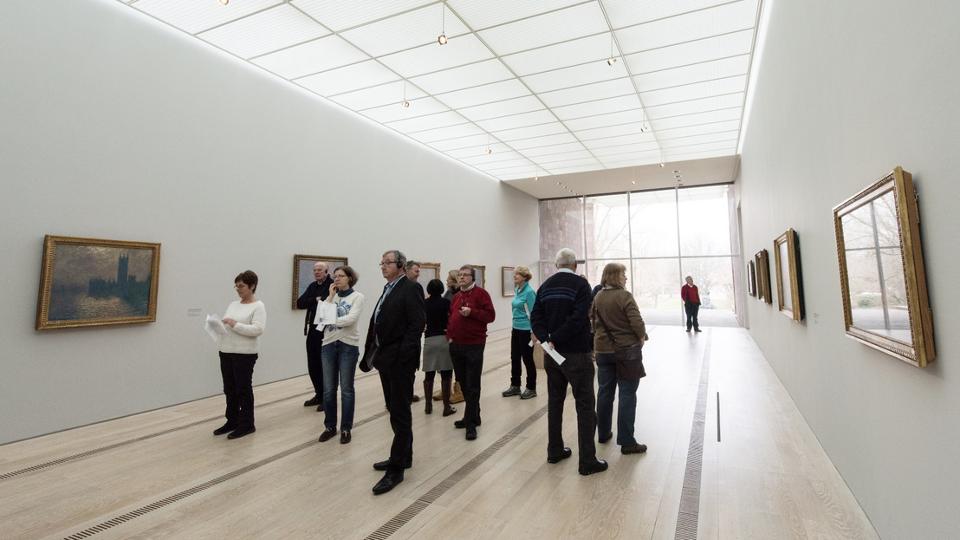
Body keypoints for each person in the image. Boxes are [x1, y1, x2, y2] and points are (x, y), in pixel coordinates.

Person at [530, 249, 607, 476]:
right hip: (577, 354)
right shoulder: (581, 285)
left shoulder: (545, 286)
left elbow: (535, 317)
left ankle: (554, 450)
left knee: (555, 402)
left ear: (557, 265)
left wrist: (546, 339)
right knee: (585, 405)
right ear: (574, 265)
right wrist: (555, 338)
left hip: (552, 355)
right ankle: (587, 461)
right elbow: (578, 318)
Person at [360, 250, 425, 495]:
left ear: (400, 265)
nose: (383, 266)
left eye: (387, 263)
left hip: (399, 362)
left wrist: (402, 356)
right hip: (385, 359)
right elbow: (379, 321)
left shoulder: (411, 288)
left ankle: (396, 469)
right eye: (381, 263)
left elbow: (416, 325)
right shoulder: (388, 288)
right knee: (395, 409)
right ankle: (404, 456)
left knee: (400, 412)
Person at [591, 263, 648, 455]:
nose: (626, 277)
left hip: (603, 351)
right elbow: (636, 322)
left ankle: (603, 432)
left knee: (604, 392)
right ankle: (626, 441)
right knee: (627, 393)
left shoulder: (598, 296)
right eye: (623, 274)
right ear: (615, 276)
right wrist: (641, 337)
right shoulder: (624, 296)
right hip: (626, 352)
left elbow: (593, 322)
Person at [214, 270, 266, 440]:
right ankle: (232, 420)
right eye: (236, 286)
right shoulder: (233, 304)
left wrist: (235, 324)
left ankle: (247, 424)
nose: (238, 289)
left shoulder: (258, 306)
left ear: (252, 286)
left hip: (244, 354)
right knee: (229, 389)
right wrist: (218, 325)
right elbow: (227, 323)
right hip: (226, 350)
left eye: (241, 286)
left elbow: (257, 329)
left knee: (243, 389)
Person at [447, 265, 496, 441]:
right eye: (460, 275)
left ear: (473, 278)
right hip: (456, 345)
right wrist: (449, 337)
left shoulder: (482, 294)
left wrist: (472, 312)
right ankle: (474, 415)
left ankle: (470, 424)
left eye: (465, 275)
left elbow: (490, 316)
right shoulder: (456, 296)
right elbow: (450, 317)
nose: (461, 277)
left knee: (473, 384)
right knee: (463, 382)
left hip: (474, 345)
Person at [317, 266, 364, 445]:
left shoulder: (357, 297)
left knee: (346, 389)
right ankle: (330, 426)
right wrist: (330, 297)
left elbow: (350, 319)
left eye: (341, 276)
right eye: (335, 276)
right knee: (328, 389)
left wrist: (330, 319)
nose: (336, 279)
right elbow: (320, 319)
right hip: (328, 344)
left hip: (348, 345)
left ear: (349, 278)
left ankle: (346, 428)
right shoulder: (331, 297)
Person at [296, 262, 334, 410]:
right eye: (315, 270)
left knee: (326, 365)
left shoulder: (332, 285)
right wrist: (316, 299)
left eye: (320, 270)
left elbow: (327, 301)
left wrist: (316, 301)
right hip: (313, 330)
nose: (317, 272)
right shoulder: (312, 286)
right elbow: (300, 303)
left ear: (326, 271)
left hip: (327, 330)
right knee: (313, 364)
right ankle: (319, 394)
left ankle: (328, 398)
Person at [422, 278, 456, 417]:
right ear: (442, 289)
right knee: (446, 374)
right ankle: (446, 407)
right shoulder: (446, 303)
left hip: (429, 339)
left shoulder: (424, 303)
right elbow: (452, 320)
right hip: (443, 339)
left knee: (429, 375)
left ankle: (428, 405)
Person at [502, 266, 537, 400]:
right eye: (514, 274)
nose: (514, 276)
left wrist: (533, 332)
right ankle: (515, 385)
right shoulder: (517, 290)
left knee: (527, 359)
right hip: (516, 328)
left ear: (524, 277)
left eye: (517, 274)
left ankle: (531, 388)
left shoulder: (529, 292)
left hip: (526, 330)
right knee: (514, 357)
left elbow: (534, 314)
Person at [434, 269, 466, 405]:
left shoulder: (460, 294)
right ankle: (445, 389)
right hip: (445, 331)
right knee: (445, 362)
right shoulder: (448, 292)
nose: (446, 280)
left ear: (454, 280)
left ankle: (460, 391)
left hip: (457, 332)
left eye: (448, 278)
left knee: (457, 362)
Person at [403, 260, 424, 403]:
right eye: (416, 271)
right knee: (407, 369)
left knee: (408, 369)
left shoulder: (411, 287)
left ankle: (406, 395)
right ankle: (405, 396)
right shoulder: (414, 287)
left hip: (408, 337)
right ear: (407, 270)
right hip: (408, 338)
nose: (418, 274)